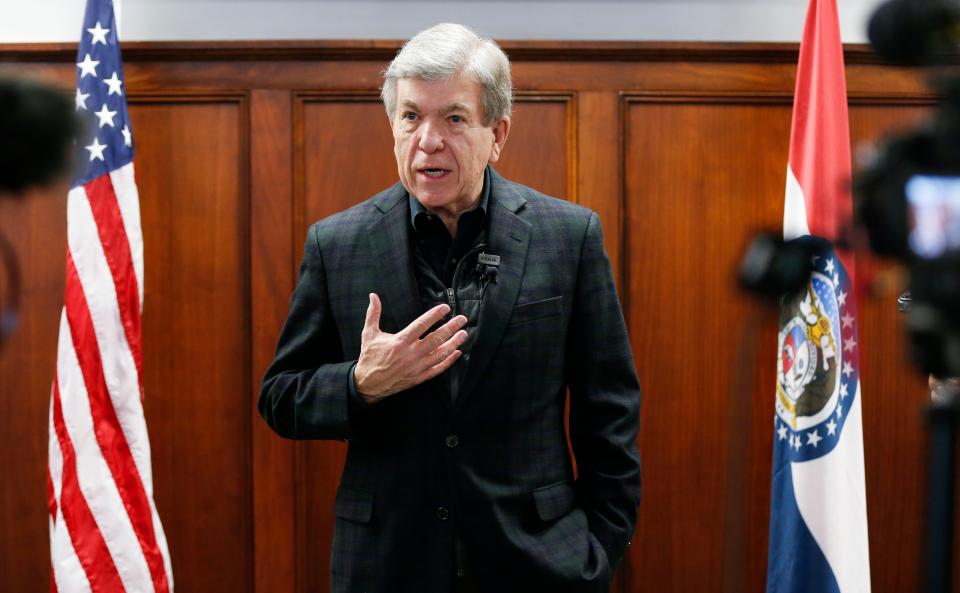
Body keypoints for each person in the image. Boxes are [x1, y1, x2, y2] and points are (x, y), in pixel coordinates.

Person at [259, 23, 641, 593]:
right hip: (387, 566)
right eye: (411, 116)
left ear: (498, 133)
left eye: (454, 119)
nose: (428, 140)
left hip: (538, 564)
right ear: (392, 126)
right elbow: (280, 397)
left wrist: (599, 550)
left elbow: (609, 412)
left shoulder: (568, 236)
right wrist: (362, 383)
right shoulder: (335, 244)